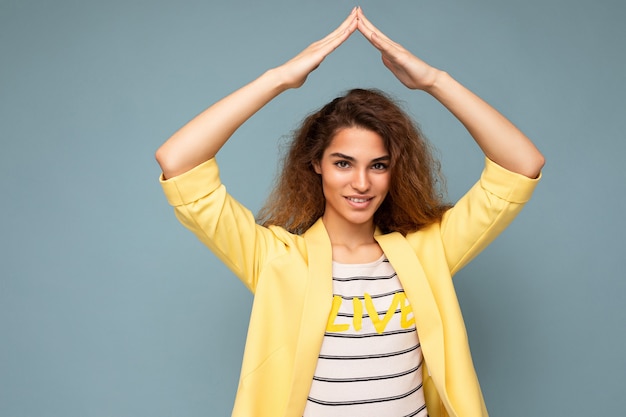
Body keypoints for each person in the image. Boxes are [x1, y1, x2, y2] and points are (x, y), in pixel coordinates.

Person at [155, 7, 544, 417]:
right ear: (316, 163)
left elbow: (521, 166)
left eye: (378, 165)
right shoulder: (276, 260)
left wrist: (434, 81)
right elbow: (178, 162)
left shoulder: (428, 251)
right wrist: (278, 80)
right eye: (343, 163)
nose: (361, 183)